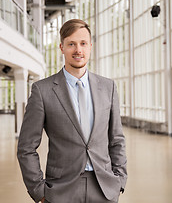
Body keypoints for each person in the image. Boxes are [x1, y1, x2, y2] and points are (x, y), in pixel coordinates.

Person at [17, 19, 127, 203]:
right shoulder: (42, 91)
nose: (78, 50)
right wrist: (39, 191)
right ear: (61, 47)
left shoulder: (108, 88)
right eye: (71, 44)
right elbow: (26, 147)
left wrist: (120, 180)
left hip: (104, 188)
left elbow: (117, 139)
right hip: (61, 190)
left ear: (90, 46)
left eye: (83, 43)